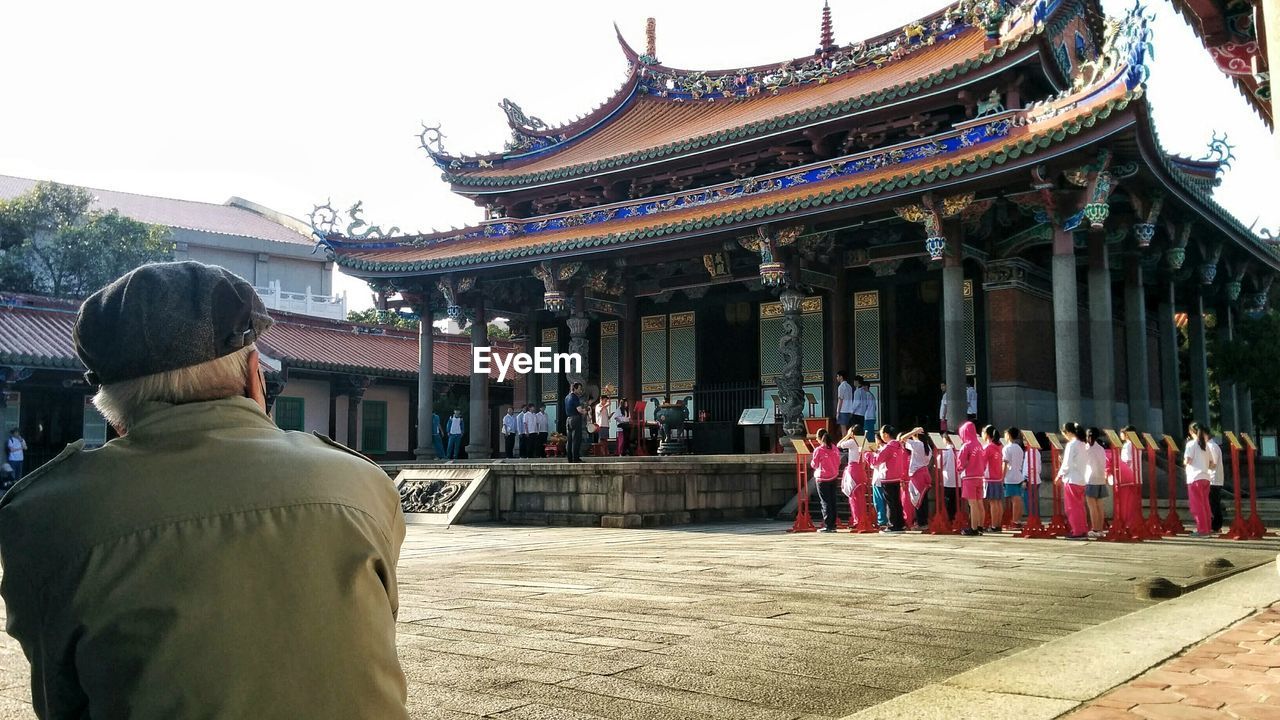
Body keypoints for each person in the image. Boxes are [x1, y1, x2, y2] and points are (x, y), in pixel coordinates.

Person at [0, 262, 408, 717]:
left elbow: (62, 697)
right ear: (255, 373)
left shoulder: (41, 515)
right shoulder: (362, 484)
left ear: (112, 412)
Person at [870, 424, 906, 533]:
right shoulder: (898, 445)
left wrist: (868, 454)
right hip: (896, 476)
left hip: (888, 476)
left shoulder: (888, 447)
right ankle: (900, 524)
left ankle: (892, 525)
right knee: (896, 501)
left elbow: (876, 461)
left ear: (885, 434)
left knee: (890, 502)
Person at [1056, 422, 1089, 540]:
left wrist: (1059, 475)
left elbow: (1067, 464)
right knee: (1080, 506)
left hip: (1071, 479)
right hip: (1081, 479)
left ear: (1068, 432)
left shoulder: (1072, 445)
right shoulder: (1083, 444)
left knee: (1071, 507)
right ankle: (1082, 529)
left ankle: (1077, 530)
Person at [1185, 422, 1216, 537]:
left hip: (1194, 478)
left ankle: (1202, 530)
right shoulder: (1206, 445)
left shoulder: (1190, 444)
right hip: (1205, 477)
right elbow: (1212, 464)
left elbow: (1187, 460)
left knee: (1197, 506)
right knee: (1205, 505)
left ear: (1191, 431)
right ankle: (1207, 528)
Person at [956, 421, 986, 536]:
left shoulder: (966, 446)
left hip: (969, 477)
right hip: (979, 476)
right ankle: (980, 526)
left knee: (972, 504)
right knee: (979, 503)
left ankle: (973, 528)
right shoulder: (979, 445)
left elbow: (960, 463)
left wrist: (960, 469)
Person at [1112, 425, 1143, 530]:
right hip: (1137, 476)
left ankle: (1127, 523)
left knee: (1126, 503)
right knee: (1134, 502)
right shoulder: (1137, 444)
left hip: (1127, 477)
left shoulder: (1127, 445)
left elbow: (1125, 461)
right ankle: (1134, 522)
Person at [900, 427, 932, 529]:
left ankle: (920, 522)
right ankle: (924, 522)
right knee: (924, 499)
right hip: (925, 472)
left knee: (917, 499)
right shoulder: (928, 447)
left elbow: (902, 438)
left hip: (917, 474)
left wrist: (913, 432)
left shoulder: (917, 444)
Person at [811, 429, 842, 533]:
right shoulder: (835, 448)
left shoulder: (819, 450)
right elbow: (838, 461)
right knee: (832, 501)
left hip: (822, 477)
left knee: (825, 502)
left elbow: (814, 464)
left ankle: (828, 525)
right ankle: (833, 524)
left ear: (820, 438)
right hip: (833, 476)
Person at [838, 426, 868, 527]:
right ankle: (863, 518)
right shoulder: (864, 441)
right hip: (861, 469)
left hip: (853, 469)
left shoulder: (852, 441)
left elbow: (839, 445)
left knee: (853, 496)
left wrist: (848, 435)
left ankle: (857, 520)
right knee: (861, 497)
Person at [1083, 427, 1108, 538]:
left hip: (1090, 479)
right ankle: (1100, 529)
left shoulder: (1087, 449)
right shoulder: (1101, 449)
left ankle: (1095, 528)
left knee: (1092, 506)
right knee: (1099, 506)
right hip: (1100, 478)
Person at [981, 425, 1005, 532]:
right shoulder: (999, 446)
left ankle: (994, 526)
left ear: (986, 434)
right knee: (998, 502)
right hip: (998, 477)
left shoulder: (988, 447)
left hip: (990, 478)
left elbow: (982, 462)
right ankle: (998, 524)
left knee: (993, 503)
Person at [1002, 427, 1027, 528]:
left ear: (1008, 435)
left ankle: (1015, 520)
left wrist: (1002, 476)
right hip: (1018, 475)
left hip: (1010, 476)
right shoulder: (1019, 448)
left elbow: (1005, 463)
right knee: (1018, 499)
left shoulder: (1007, 448)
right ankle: (1017, 519)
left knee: (1015, 500)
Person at [1207, 431, 1226, 532]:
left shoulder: (1212, 446)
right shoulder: (1211, 446)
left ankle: (1215, 525)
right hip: (1213, 478)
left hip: (1213, 479)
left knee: (1213, 504)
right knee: (1215, 503)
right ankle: (1216, 526)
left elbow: (1213, 463)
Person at [939, 433, 959, 521]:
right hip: (959, 481)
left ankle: (950, 520)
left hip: (948, 481)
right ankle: (957, 518)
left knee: (949, 503)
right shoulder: (959, 449)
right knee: (957, 502)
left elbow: (939, 463)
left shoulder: (946, 450)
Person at [565, 383, 585, 463]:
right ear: (575, 389)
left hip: (568, 419)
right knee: (576, 439)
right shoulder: (574, 397)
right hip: (575, 419)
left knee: (569, 440)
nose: (580, 391)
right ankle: (575, 458)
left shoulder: (567, 397)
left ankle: (569, 458)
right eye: (579, 388)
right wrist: (585, 411)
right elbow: (579, 410)